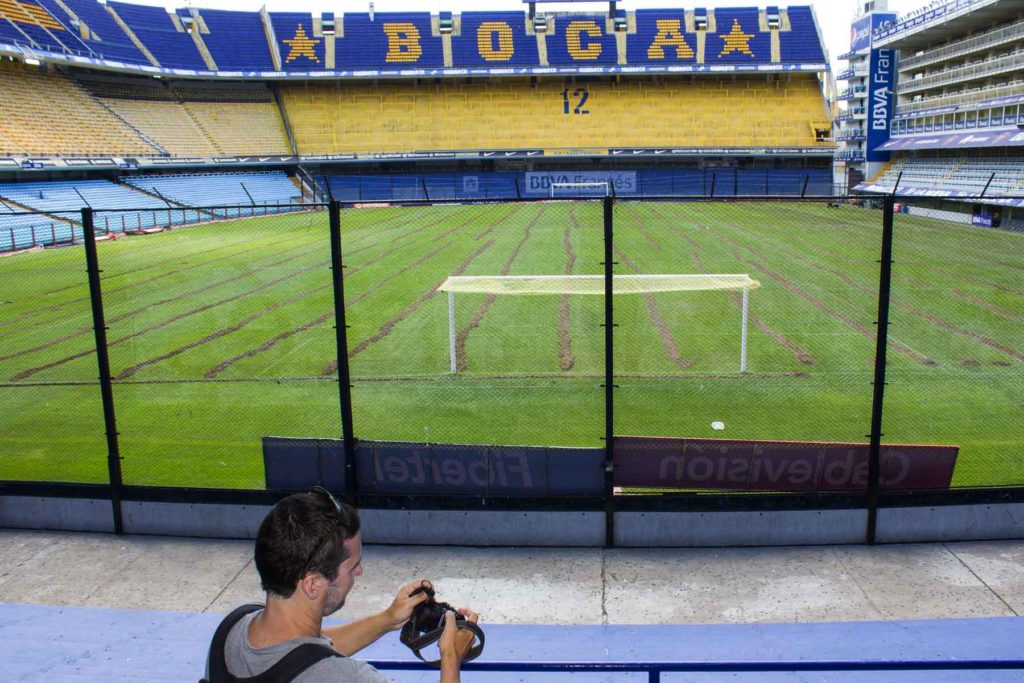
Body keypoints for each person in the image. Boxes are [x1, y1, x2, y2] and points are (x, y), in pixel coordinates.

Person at [204, 487, 479, 682]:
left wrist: (387, 620)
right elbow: (316, 666)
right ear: (312, 584)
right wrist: (451, 658)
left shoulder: (231, 630)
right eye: (352, 565)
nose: (359, 571)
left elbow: (302, 654)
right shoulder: (349, 678)